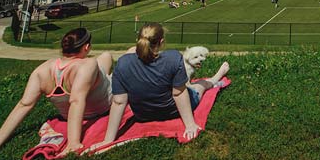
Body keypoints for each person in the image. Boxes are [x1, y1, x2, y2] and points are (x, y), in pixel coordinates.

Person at [0, 28, 112, 160]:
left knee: (104, 59)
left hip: (71, 109)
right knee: (106, 56)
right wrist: (73, 143)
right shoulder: (88, 64)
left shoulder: (42, 70)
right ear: (86, 47)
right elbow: (76, 100)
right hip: (102, 105)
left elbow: (24, 105)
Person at [96, 23, 229, 146]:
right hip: (172, 111)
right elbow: (179, 93)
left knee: (188, 86)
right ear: (161, 42)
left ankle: (212, 79)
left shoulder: (123, 63)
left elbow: (119, 102)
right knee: (199, 86)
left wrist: (108, 139)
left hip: (143, 115)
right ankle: (216, 77)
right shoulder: (173, 58)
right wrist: (190, 124)